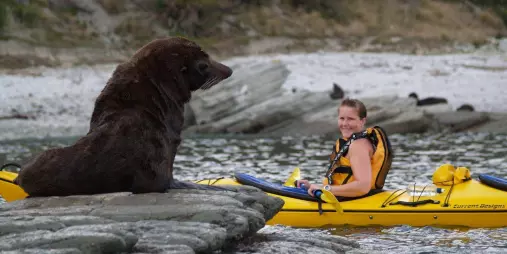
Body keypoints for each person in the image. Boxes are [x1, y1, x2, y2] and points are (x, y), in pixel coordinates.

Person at [297, 98, 393, 198]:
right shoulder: (349, 142)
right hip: (347, 199)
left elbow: (363, 187)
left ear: (362, 121)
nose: (344, 124)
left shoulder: (358, 146)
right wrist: (313, 187)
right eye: (342, 118)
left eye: (350, 119)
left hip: (357, 202)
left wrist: (324, 189)